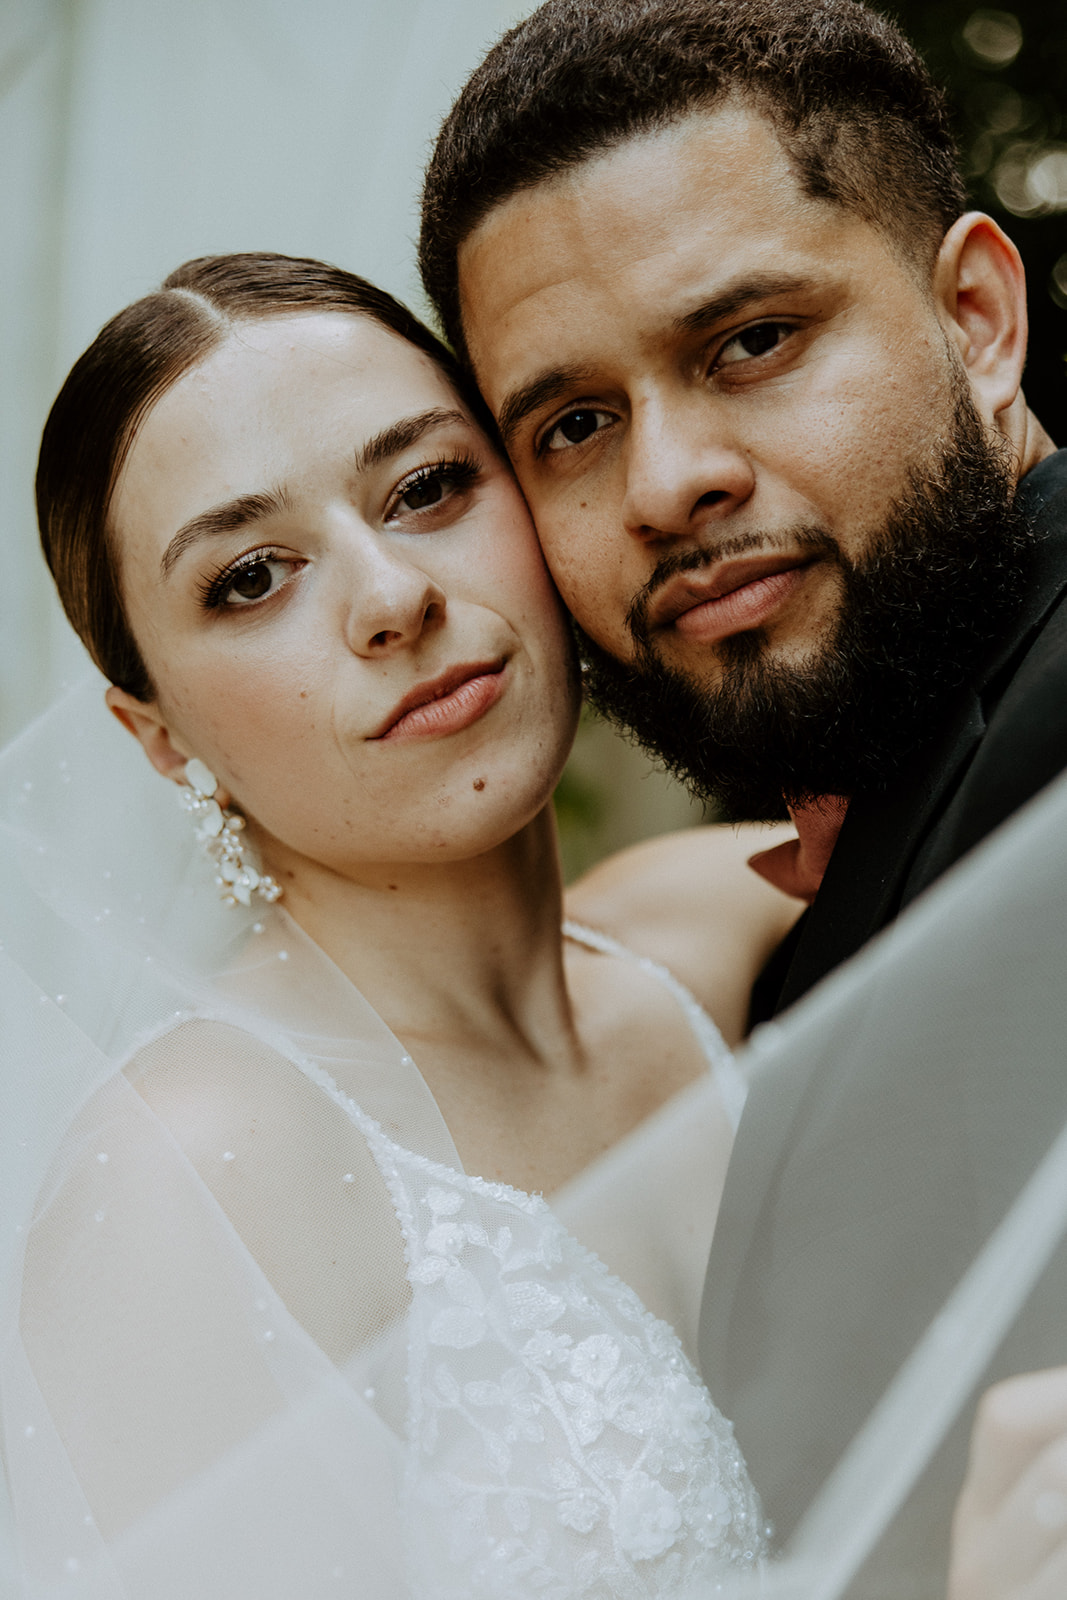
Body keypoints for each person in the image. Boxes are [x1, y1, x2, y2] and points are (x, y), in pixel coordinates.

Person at [5, 249, 803, 1599]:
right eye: (253, 577)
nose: (392, 600)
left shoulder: (731, 931)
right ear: (157, 738)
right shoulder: (187, 1180)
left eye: (429, 487)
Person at [416, 0, 1067, 1592]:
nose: (665, 483)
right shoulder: (822, 865)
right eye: (573, 425)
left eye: (752, 342)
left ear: (978, 318)